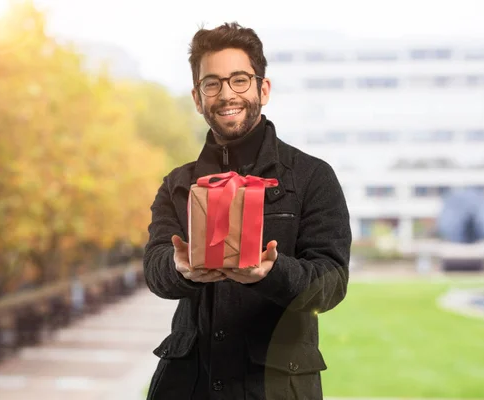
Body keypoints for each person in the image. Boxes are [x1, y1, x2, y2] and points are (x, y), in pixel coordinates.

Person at [143, 22, 352, 400]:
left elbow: (331, 283)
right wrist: (179, 268)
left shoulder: (311, 178)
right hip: (188, 386)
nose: (226, 94)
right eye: (212, 83)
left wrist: (271, 273)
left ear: (263, 88)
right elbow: (155, 271)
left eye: (239, 80)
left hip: (275, 389)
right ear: (197, 97)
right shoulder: (177, 184)